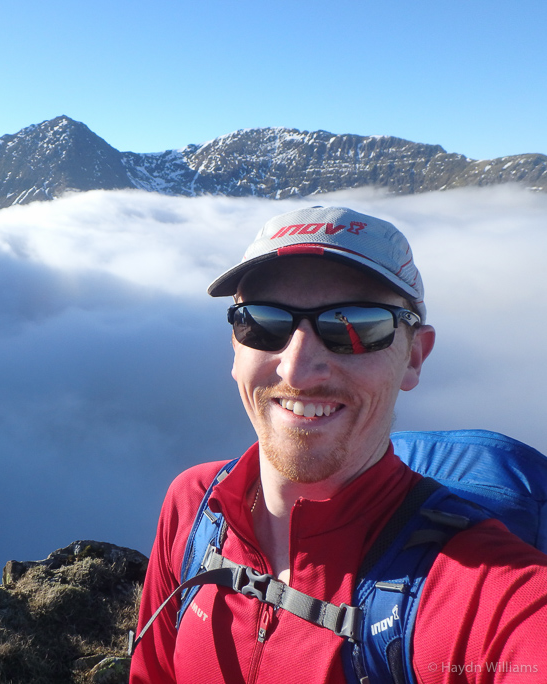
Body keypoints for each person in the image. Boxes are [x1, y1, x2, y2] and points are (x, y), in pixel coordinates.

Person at [130, 205, 547, 683]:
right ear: (235, 347)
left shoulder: (484, 592)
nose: (297, 369)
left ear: (414, 357)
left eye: (354, 327)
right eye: (263, 322)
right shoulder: (194, 507)